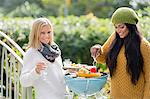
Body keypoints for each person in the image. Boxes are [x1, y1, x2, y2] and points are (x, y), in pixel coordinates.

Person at [90, 7, 150, 99]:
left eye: (122, 27)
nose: (118, 30)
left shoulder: (144, 46)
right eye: (116, 27)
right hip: (115, 95)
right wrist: (97, 50)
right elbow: (102, 58)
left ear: (131, 26)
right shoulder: (115, 38)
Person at [20, 18, 66, 99]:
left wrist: (69, 72)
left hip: (63, 96)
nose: (46, 36)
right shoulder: (32, 52)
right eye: (42, 33)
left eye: (49, 32)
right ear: (35, 34)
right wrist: (36, 71)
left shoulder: (55, 50)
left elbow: (58, 74)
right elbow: (23, 81)